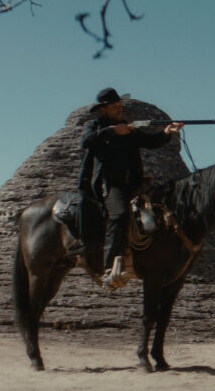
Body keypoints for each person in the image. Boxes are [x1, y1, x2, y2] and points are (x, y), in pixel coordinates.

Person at [79, 87, 183, 290]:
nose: (119, 108)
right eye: (114, 105)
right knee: (119, 215)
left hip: (134, 184)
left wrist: (166, 132)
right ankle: (109, 268)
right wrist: (111, 131)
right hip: (111, 185)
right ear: (104, 109)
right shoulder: (95, 125)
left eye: (119, 105)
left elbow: (149, 141)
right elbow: (86, 141)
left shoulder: (128, 128)